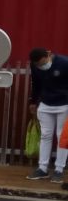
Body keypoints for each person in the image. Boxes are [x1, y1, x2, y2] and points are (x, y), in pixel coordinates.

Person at [27, 47, 68, 182]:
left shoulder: (64, 63)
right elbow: (36, 84)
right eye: (38, 65)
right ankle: (42, 168)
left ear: (49, 55)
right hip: (45, 104)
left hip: (64, 104)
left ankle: (59, 170)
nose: (41, 66)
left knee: (62, 137)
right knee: (45, 136)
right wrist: (33, 101)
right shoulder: (34, 65)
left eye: (43, 63)